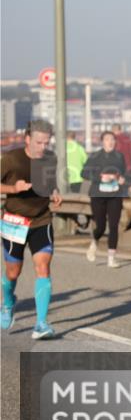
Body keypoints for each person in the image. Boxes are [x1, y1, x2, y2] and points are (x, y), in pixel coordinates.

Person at [0, 120, 63, 339]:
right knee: (12, 272)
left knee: (43, 267)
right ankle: (8, 304)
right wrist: (12, 188)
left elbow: (50, 182)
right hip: (14, 222)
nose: (43, 147)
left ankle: (41, 324)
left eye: (46, 142)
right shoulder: (11, 159)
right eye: (38, 142)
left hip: (41, 220)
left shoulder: (50, 158)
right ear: (27, 139)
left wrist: (54, 192)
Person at [83, 131, 129, 269]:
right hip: (98, 194)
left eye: (112, 139)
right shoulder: (95, 156)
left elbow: (123, 173)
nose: (110, 142)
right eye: (107, 139)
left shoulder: (119, 156)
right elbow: (84, 173)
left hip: (115, 194)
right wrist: (100, 178)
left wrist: (121, 178)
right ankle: (94, 241)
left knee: (114, 226)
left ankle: (111, 259)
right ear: (102, 142)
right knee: (101, 227)